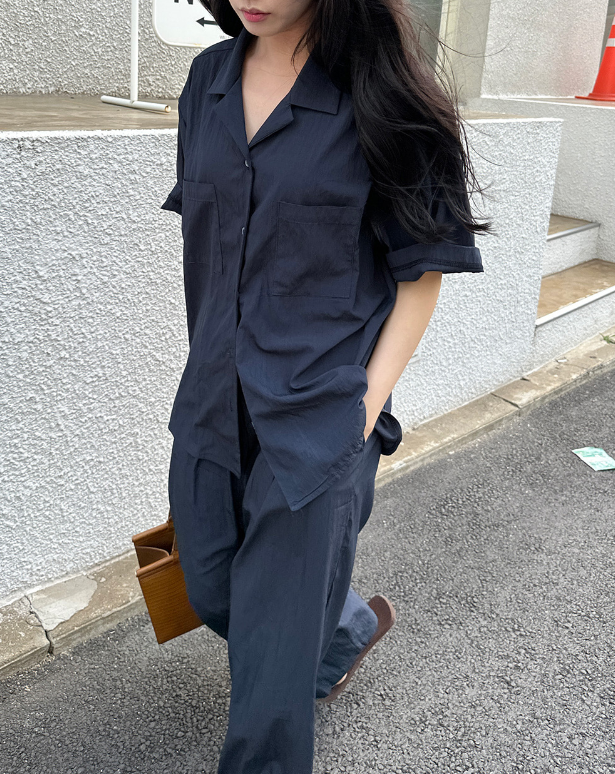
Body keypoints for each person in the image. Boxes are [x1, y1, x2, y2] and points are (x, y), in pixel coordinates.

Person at [161, 0, 491, 771]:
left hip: (320, 411)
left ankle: (293, 666)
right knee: (210, 587)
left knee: (270, 671)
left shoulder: (380, 93)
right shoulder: (207, 81)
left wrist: (362, 410)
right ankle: (341, 630)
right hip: (212, 396)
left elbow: (420, 274)